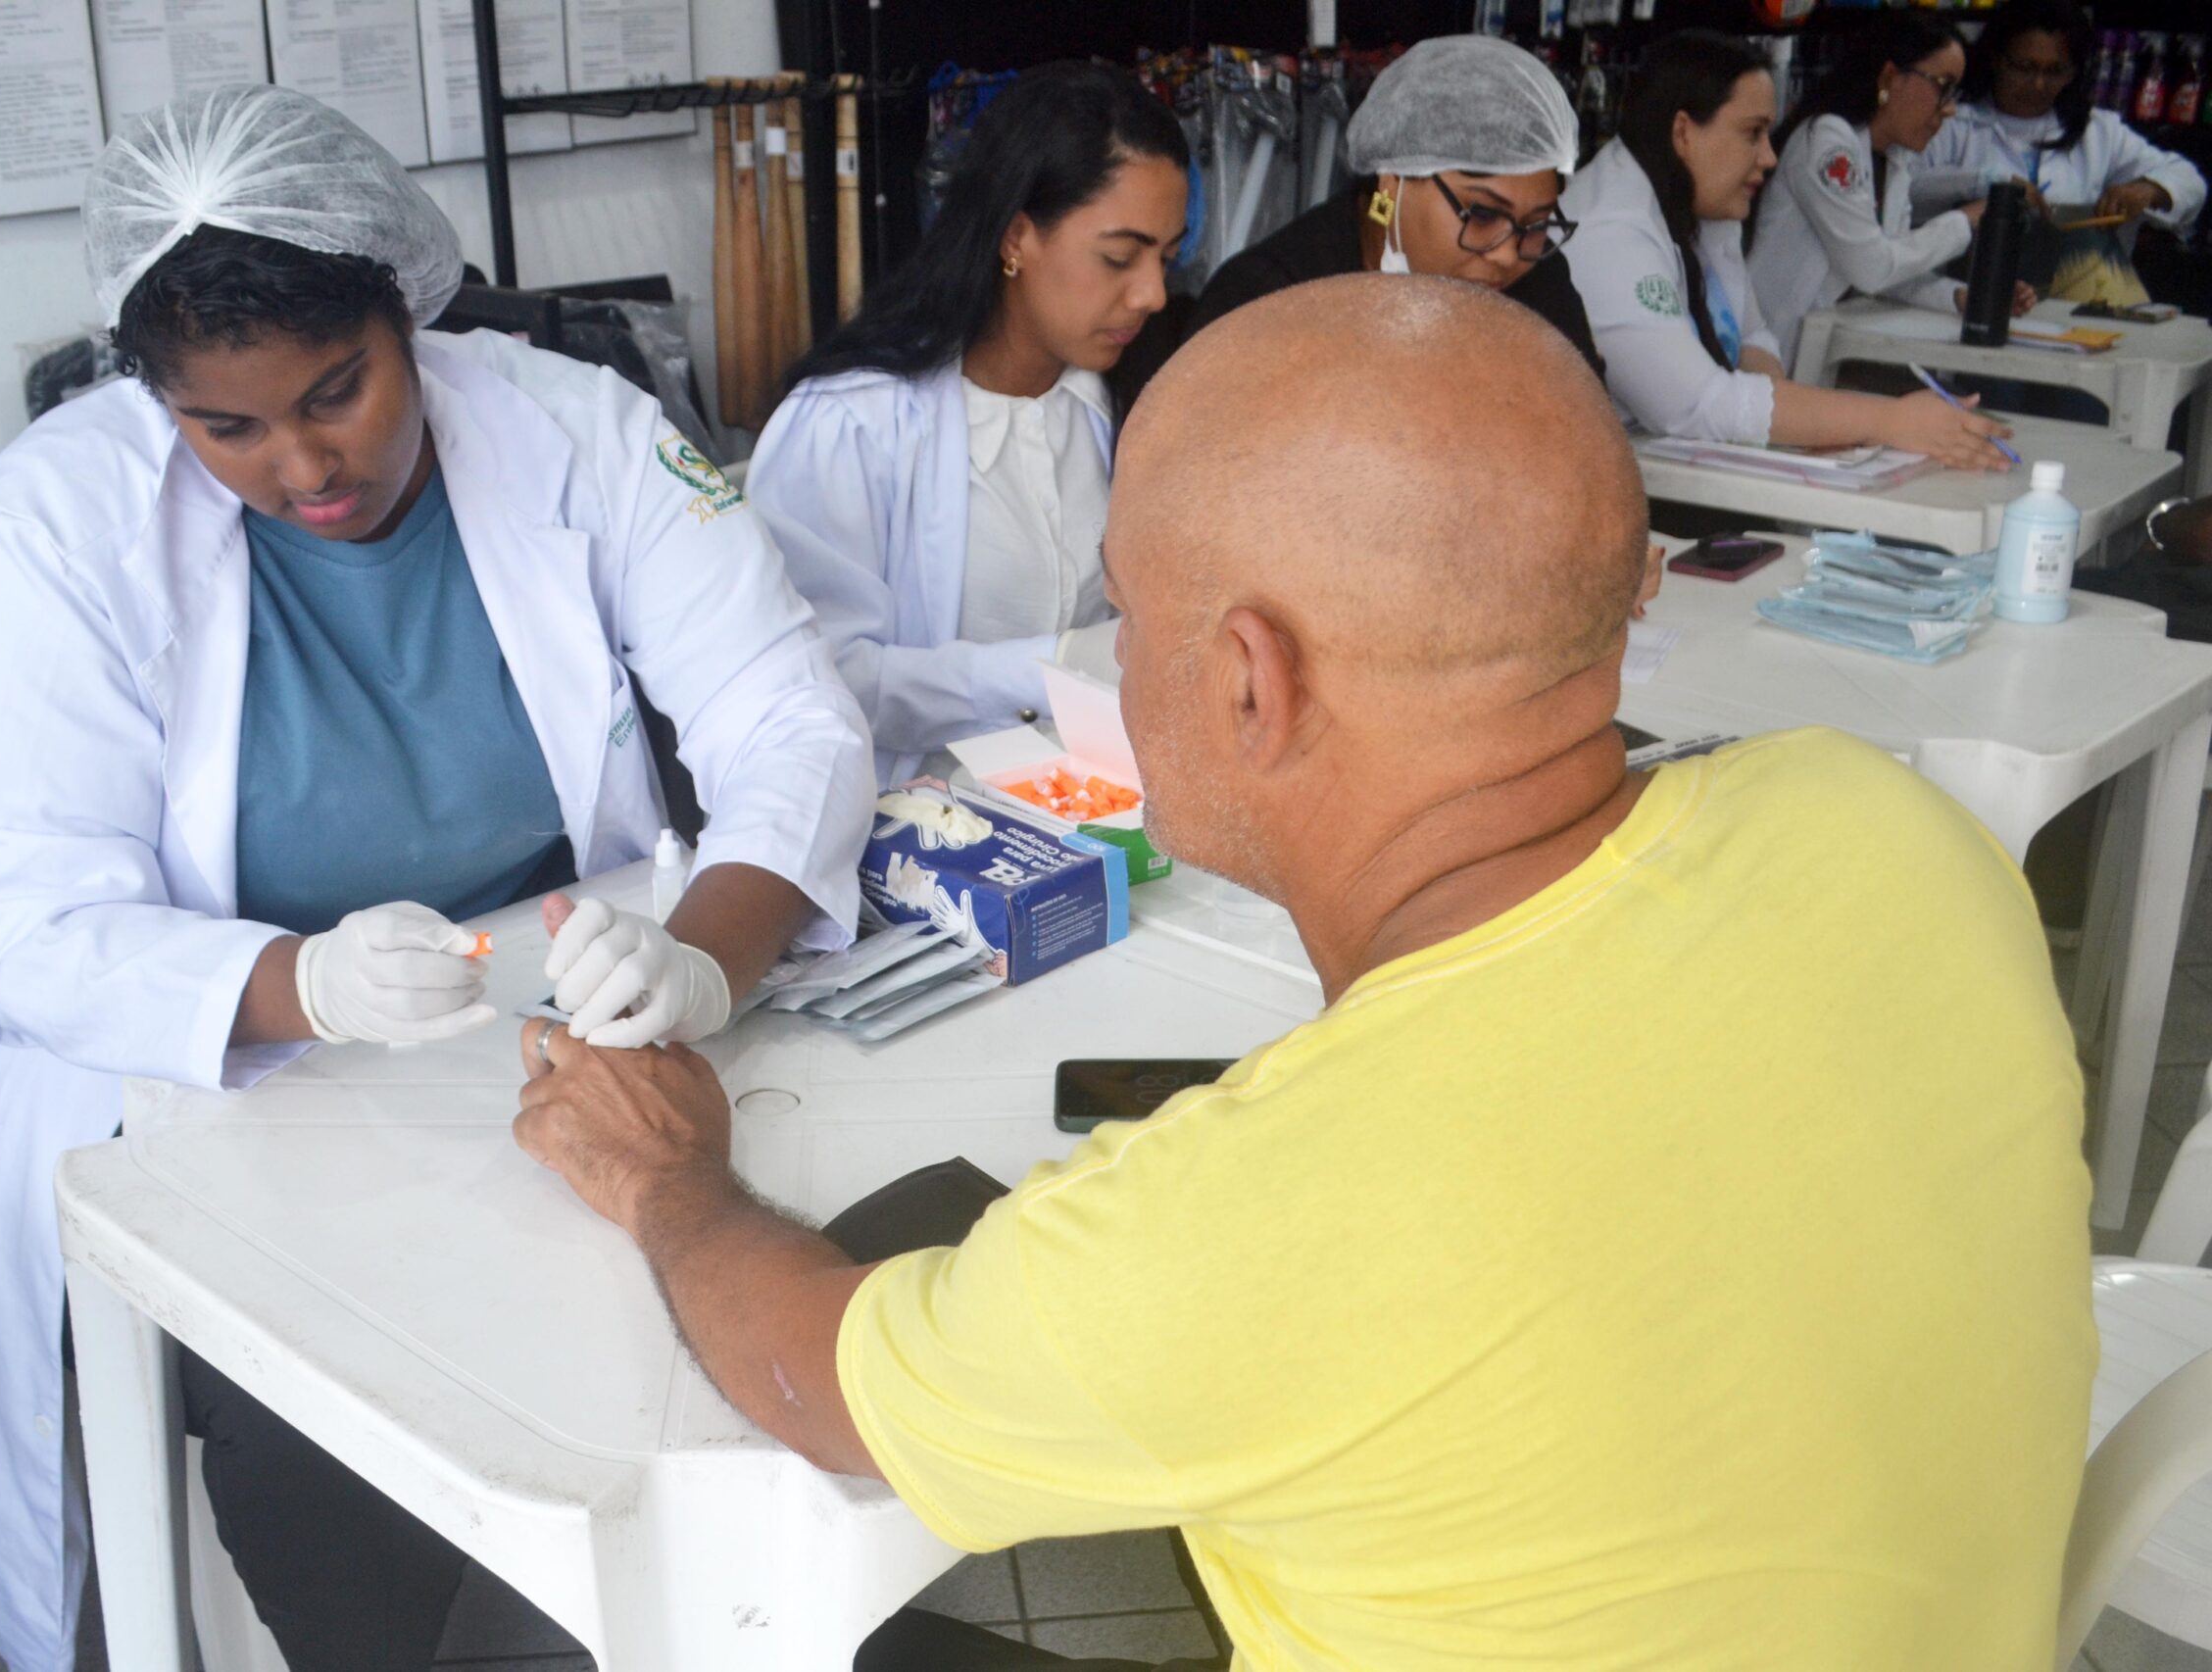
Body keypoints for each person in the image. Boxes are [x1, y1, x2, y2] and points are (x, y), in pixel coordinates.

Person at [509, 275, 2095, 1671]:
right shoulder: (1889, 821)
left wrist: (669, 1179)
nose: (1110, 659)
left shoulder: (1251, 1221)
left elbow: (818, 1382)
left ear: (1253, 682)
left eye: (1123, 611)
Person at [0, 86, 872, 1672]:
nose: (301, 464)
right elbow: (22, 917)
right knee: (322, 1430)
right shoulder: (53, 523)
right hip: (207, 1071)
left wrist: (707, 955)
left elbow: (784, 714)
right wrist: (300, 985)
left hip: (527, 1010)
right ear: (159, 399)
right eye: (229, 426)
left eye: (338, 390)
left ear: (407, 311)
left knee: (664, 1307)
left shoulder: (578, 424)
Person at [749, 63, 1190, 788]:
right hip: (914, 831)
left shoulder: (1123, 402)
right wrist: (1052, 667)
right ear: (1017, 236)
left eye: (1166, 258)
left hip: (1097, 808)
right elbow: (814, 680)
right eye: (1119, 257)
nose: (1150, 293)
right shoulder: (852, 424)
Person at [1562, 29, 2015, 470]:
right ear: (1683, 132)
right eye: (1752, 133)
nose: (1770, 158)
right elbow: (1695, 404)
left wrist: (1792, 425)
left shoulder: (1702, 201)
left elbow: (1751, 334)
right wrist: (1889, 420)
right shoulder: (1612, 231)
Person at [1183, 33, 1600, 378]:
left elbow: (1587, 428)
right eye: (1483, 214)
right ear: (1392, 184)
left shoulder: (1539, 283)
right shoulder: (1271, 296)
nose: (1508, 253)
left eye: (1537, 222)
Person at [1749, 14, 2038, 361]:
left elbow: (1896, 271)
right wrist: (1964, 220)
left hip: (1821, 351)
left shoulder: (1894, 158)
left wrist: (1964, 297)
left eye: (1955, 92)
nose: (1949, 109)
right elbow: (1873, 268)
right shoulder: (1828, 142)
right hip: (1771, 349)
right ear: (1890, 77)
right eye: (1942, 86)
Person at [1907, 0, 2204, 247]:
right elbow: (1904, 192)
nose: (2038, 84)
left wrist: (2151, 189)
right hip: (1962, 292)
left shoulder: (2098, 132)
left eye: (2054, 71)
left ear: (2074, 72)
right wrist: (1985, 182)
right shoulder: (1950, 121)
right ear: (1997, 59)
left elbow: (2190, 181)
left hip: (2072, 299)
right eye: (2024, 67)